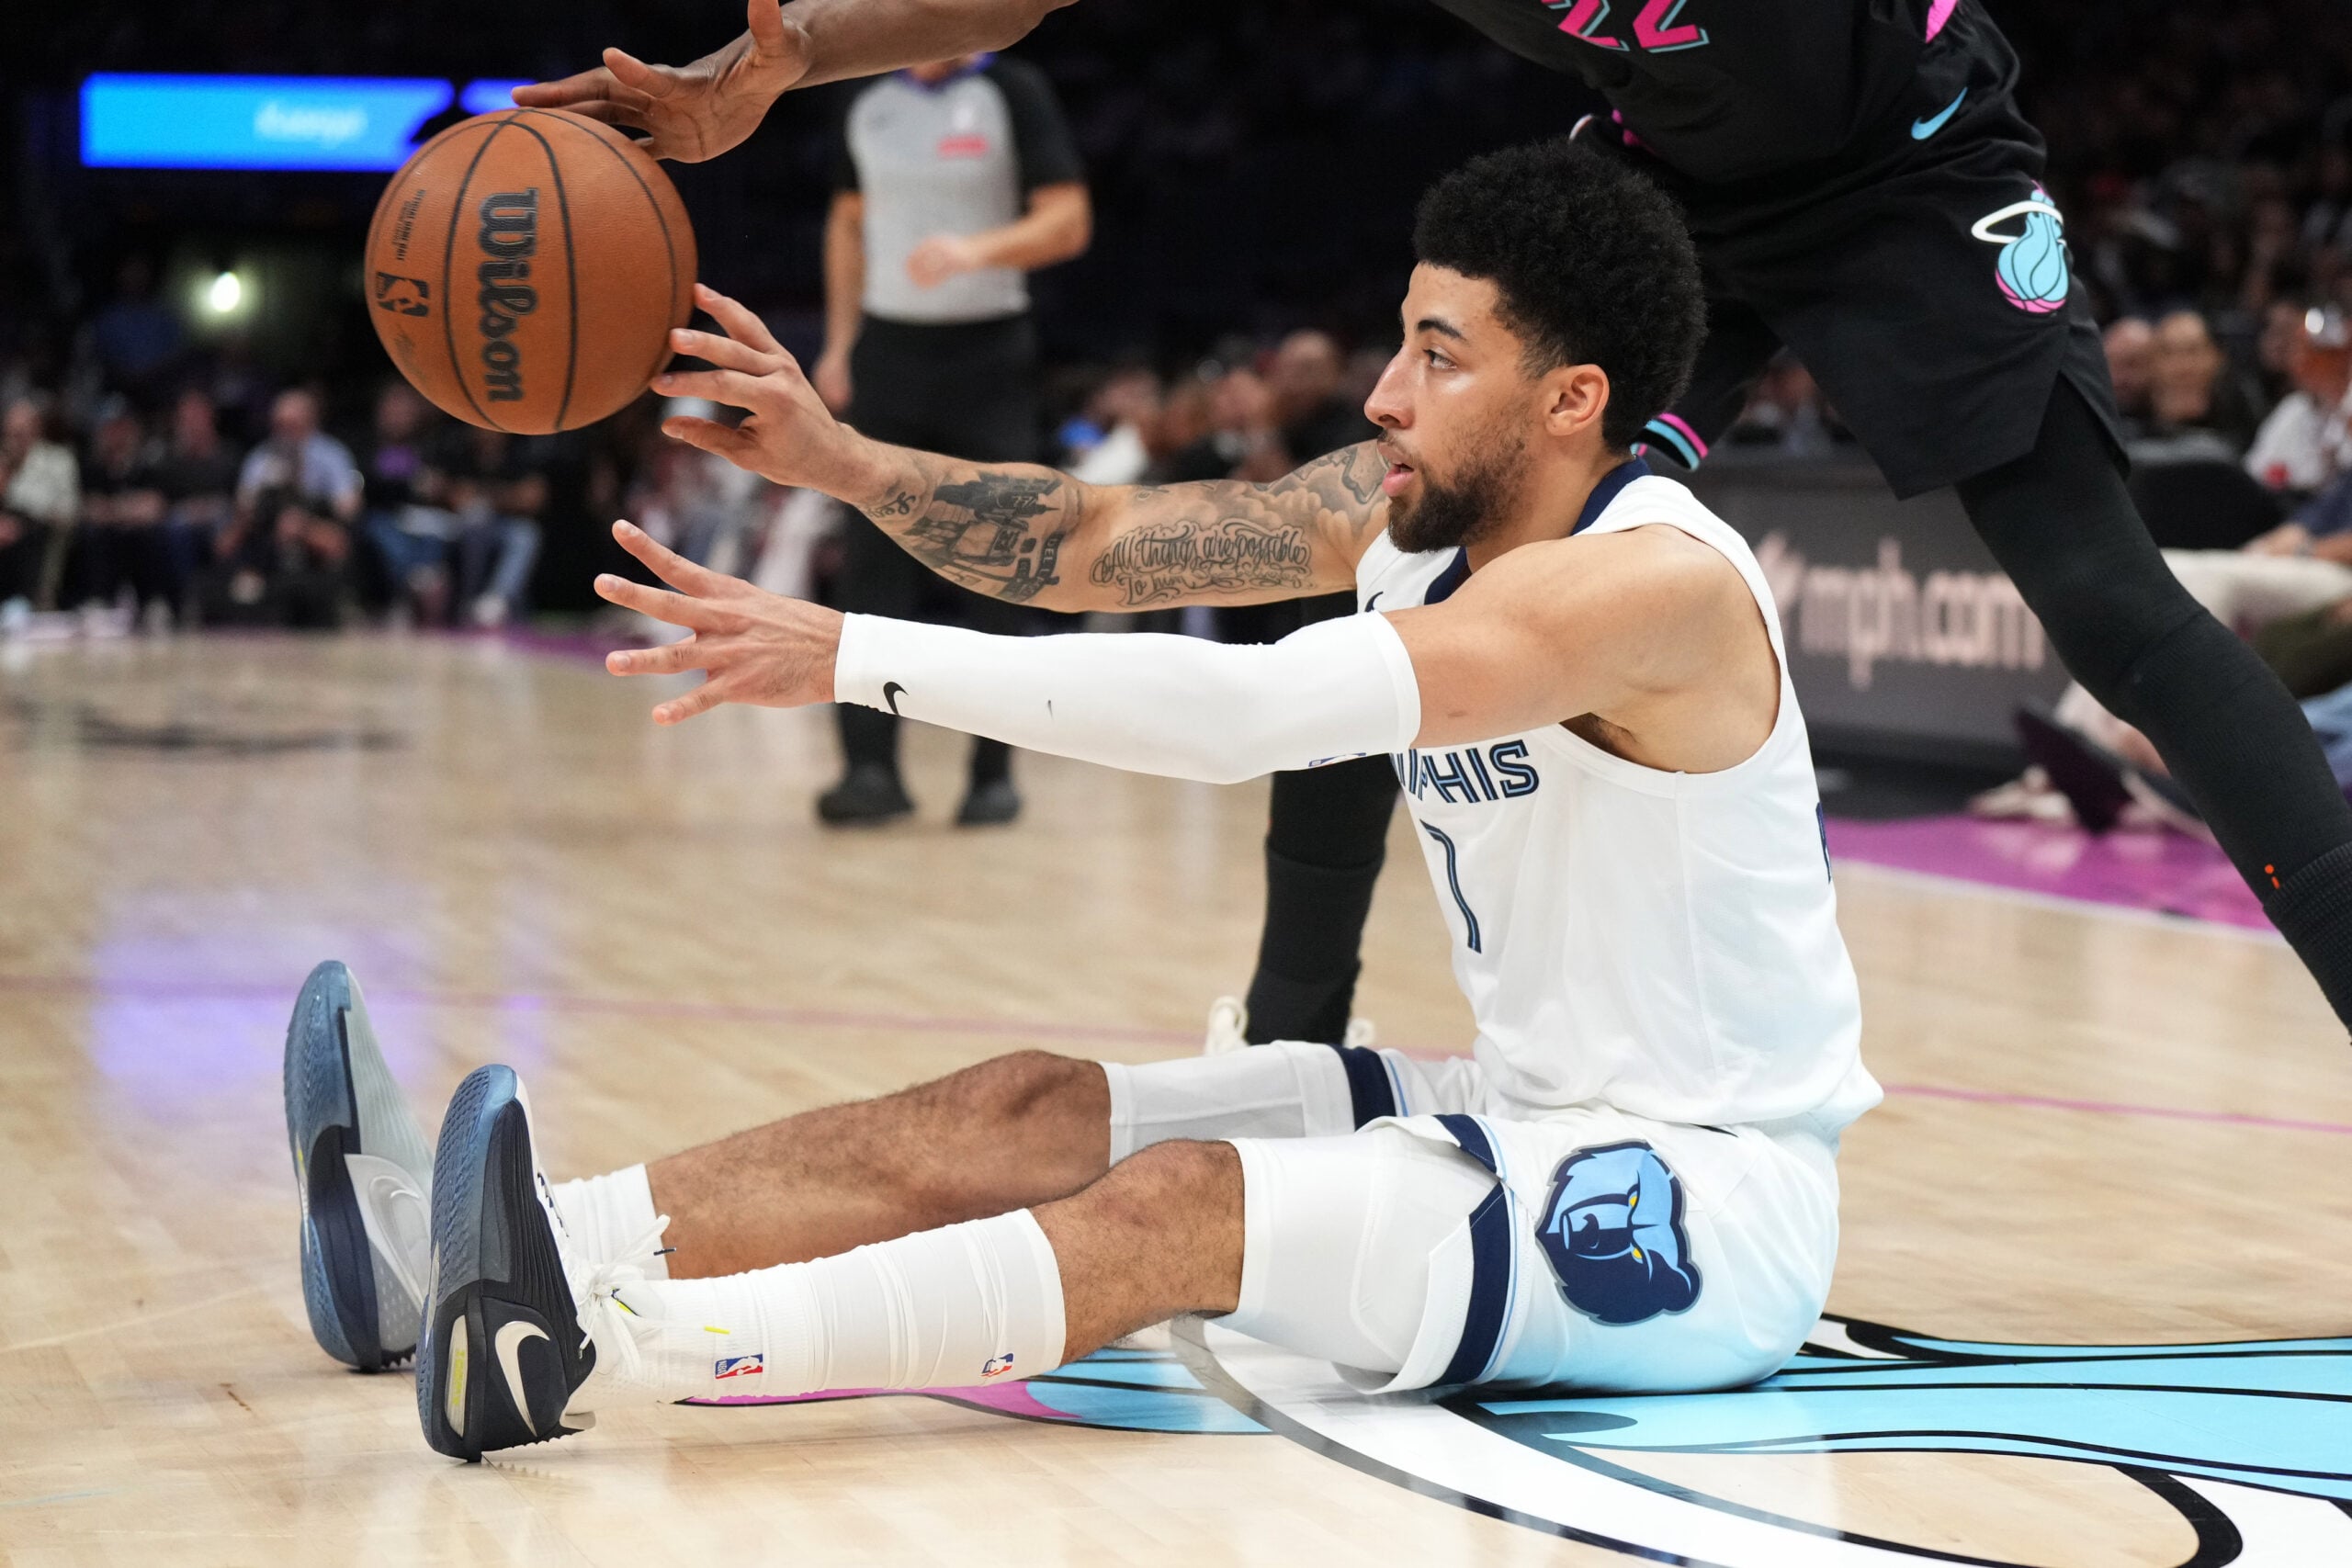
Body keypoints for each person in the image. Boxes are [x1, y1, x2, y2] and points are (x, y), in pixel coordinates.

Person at [283, 143, 1878, 1460]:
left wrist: (849, 654)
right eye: (1399, 337)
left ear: (1571, 401)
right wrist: (842, 461)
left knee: (1182, 1204)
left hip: (1698, 1195)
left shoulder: (1643, 589)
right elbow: (1093, 543)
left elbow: (1244, 715)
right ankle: (479, 1253)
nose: (1385, 393)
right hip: (1528, 1098)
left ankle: (589, 1348)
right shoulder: (1398, 512)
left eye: (1438, 357)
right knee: (1026, 1107)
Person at [517, 0, 2352, 1041]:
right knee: (1394, 536)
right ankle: (1291, 1034)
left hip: (1909, 154)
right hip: (1668, 185)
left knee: (2105, 607)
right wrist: (788, 60)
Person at [808, 51, 1091, 829]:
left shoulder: (1013, 91)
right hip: (889, 355)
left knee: (997, 565)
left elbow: (1068, 219)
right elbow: (846, 223)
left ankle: (991, 772)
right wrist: (839, 344)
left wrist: (977, 250)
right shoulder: (867, 100)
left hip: (988, 352)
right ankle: (869, 770)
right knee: (872, 567)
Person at [0, 395, 80, 619]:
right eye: (11, 431)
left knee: (30, 532)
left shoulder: (59, 460)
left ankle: (25, 602)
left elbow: (67, 509)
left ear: (36, 428)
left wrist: (18, 519)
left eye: (21, 431)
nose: (15, 437)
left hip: (42, 529)